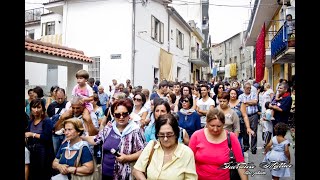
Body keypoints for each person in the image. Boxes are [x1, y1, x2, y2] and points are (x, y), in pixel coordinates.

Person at [81, 98, 146, 180]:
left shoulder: (135, 130)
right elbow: (96, 140)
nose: (121, 117)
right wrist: (80, 138)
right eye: (118, 115)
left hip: (124, 175)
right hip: (105, 174)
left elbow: (143, 151)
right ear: (113, 115)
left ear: (129, 114)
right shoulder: (109, 127)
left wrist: (127, 158)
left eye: (124, 114)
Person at [132, 113, 198, 180]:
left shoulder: (186, 153)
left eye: (169, 134)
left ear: (176, 133)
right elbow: (137, 170)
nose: (165, 139)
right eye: (161, 135)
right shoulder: (152, 146)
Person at [189, 108, 248, 180]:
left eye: (219, 126)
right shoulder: (196, 136)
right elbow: (189, 161)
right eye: (212, 126)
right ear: (207, 123)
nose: (215, 129)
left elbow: (240, 163)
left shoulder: (231, 137)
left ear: (223, 124)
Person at [25, 98, 55, 180]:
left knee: (43, 175)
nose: (36, 110)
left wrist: (32, 134)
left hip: (44, 153)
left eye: (39, 107)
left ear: (43, 108)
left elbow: (47, 137)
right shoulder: (30, 121)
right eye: (34, 108)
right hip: (33, 152)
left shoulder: (46, 121)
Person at [58, 69, 95, 135]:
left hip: (86, 104)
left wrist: (84, 99)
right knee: (68, 111)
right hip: (77, 103)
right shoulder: (76, 87)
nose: (78, 80)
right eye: (77, 78)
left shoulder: (88, 88)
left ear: (86, 80)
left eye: (81, 78)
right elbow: (73, 96)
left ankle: (87, 131)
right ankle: (63, 128)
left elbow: (92, 98)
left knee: (86, 115)